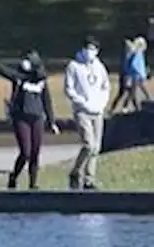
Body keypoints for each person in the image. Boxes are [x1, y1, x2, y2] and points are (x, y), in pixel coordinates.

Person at [0, 51, 59, 190]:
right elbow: (9, 73)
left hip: (37, 118)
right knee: (26, 152)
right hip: (21, 118)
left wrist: (52, 122)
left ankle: (33, 183)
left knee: (35, 152)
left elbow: (47, 101)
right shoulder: (19, 78)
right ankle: (14, 176)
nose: (25, 62)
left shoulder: (41, 80)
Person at [64, 34, 111, 191]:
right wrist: (82, 102)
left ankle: (89, 179)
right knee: (88, 145)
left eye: (92, 49)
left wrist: (102, 103)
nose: (89, 51)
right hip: (82, 111)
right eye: (87, 48)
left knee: (97, 147)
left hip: (98, 111)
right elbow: (69, 89)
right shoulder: (74, 66)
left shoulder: (99, 66)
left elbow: (105, 86)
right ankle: (76, 171)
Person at [109, 37, 152, 114]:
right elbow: (134, 65)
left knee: (130, 92)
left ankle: (130, 107)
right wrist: (139, 73)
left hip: (131, 75)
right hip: (133, 76)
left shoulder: (134, 53)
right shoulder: (136, 53)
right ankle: (132, 108)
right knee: (131, 93)